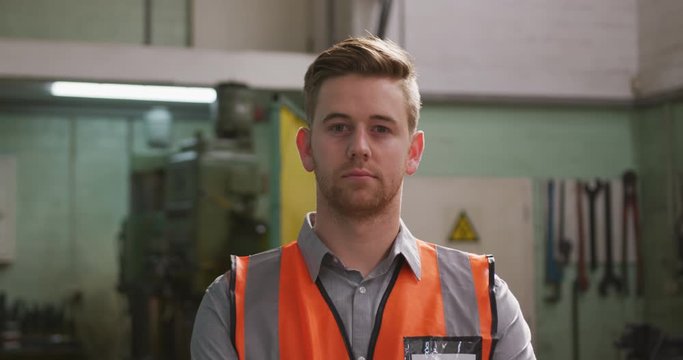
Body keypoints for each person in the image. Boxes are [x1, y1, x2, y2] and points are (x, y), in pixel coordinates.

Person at [191, 36, 535, 360]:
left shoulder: (485, 301)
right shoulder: (232, 305)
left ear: (413, 152)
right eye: (339, 127)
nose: (359, 148)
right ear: (306, 149)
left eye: (381, 129)